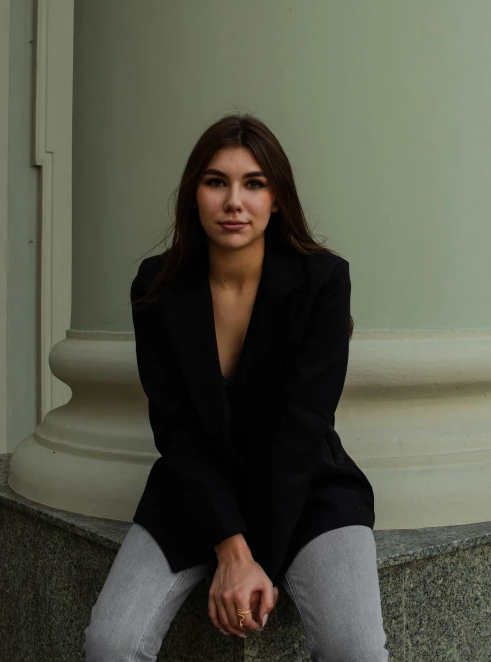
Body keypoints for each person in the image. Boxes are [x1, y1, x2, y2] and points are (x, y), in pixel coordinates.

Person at [83, 113, 389, 661]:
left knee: (356, 650)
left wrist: (254, 562)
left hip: (307, 488)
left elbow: (300, 430)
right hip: (195, 489)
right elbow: (175, 429)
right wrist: (229, 548)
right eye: (215, 181)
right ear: (193, 195)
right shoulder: (156, 287)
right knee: (110, 644)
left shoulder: (323, 281)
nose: (234, 201)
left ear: (277, 198)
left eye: (254, 183)